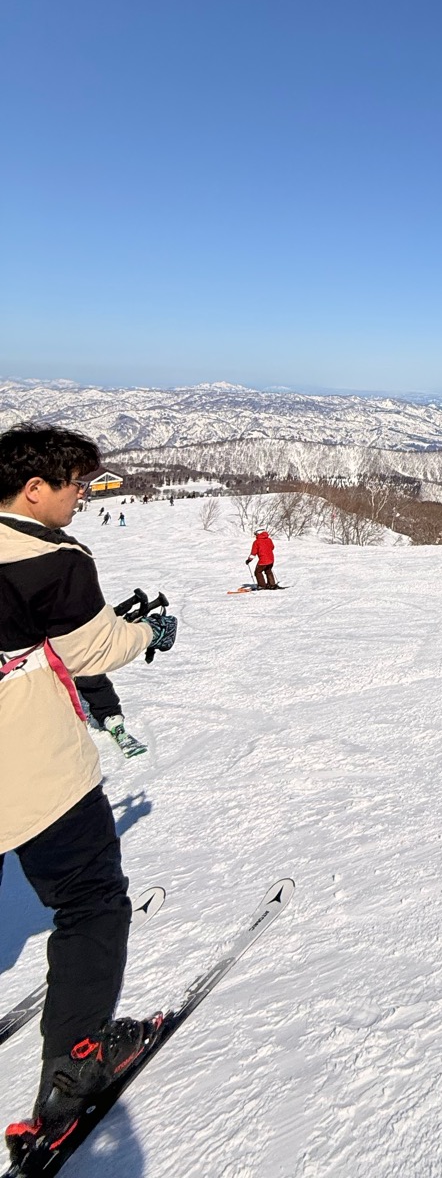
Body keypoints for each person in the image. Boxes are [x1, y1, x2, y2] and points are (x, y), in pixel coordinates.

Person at [0, 426, 178, 1162]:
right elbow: (90, 648)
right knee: (91, 900)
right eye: (75, 484)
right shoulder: (52, 556)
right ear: (34, 488)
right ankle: (77, 1060)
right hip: (30, 762)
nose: (83, 496)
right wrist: (148, 634)